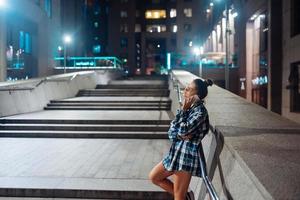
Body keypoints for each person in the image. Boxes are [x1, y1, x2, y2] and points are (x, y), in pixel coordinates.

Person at [149, 78, 213, 200]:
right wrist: (180, 133)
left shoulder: (200, 113)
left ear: (197, 95)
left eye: (189, 90)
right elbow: (171, 132)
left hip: (186, 158)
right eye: (186, 88)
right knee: (154, 177)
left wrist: (182, 116)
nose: (185, 91)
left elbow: (183, 130)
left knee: (178, 197)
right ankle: (186, 197)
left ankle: (183, 197)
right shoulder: (188, 109)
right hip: (176, 153)